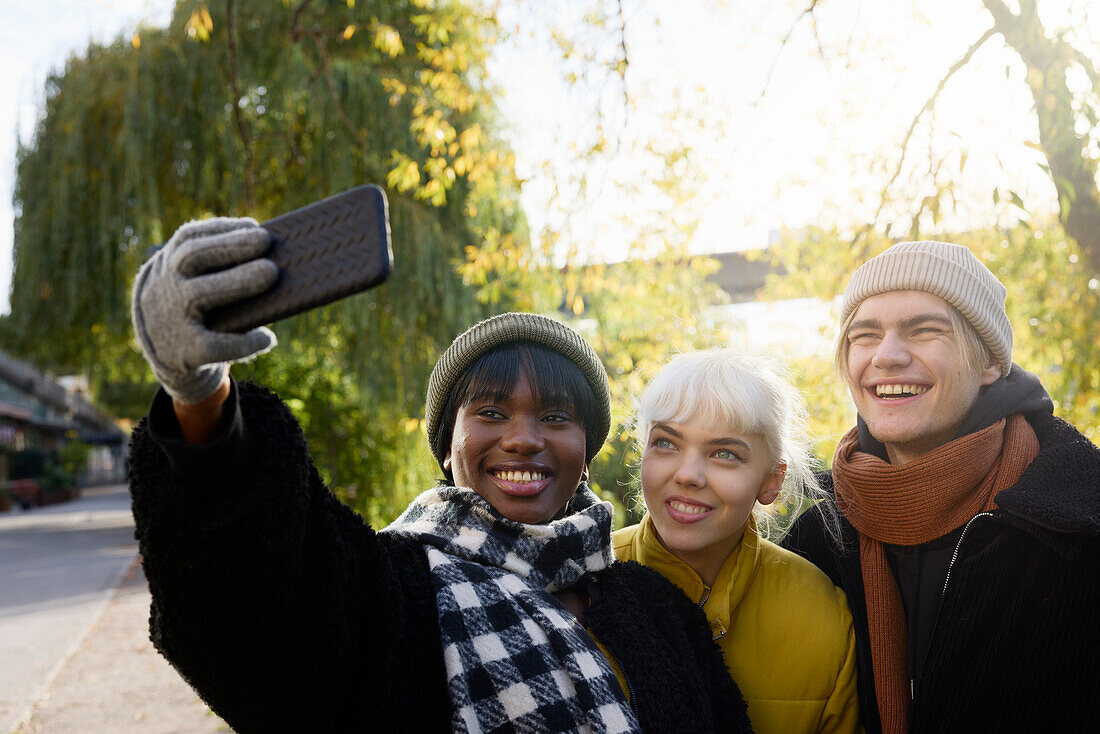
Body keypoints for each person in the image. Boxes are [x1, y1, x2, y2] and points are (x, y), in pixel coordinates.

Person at [127, 216, 752, 733]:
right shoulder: (386, 592)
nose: (523, 438)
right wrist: (200, 397)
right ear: (447, 451)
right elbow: (250, 601)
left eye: (556, 416)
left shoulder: (656, 606)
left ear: (586, 451)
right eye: (489, 411)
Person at [782, 240, 1100, 734]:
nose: (886, 356)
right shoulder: (816, 538)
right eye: (864, 335)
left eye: (924, 330)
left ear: (990, 363)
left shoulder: (1079, 525)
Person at [613, 349, 861, 734]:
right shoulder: (580, 582)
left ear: (771, 480)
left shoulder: (825, 618)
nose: (688, 475)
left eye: (724, 454)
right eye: (666, 443)